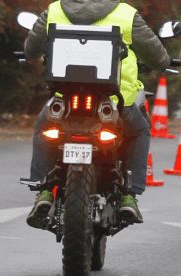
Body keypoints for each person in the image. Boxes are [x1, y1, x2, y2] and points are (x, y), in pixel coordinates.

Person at [23, 0, 171, 227]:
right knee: (139, 132)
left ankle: (44, 190)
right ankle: (129, 195)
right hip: (116, 102)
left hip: (65, 101)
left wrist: (37, 56)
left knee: (43, 127)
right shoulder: (126, 14)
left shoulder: (55, 10)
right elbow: (157, 57)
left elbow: (31, 50)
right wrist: (163, 62)